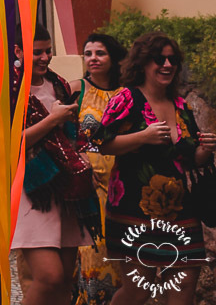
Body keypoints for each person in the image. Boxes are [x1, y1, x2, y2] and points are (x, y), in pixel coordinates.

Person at [93, 31, 215, 304]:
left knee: (183, 291)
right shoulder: (127, 99)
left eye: (173, 60)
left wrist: (205, 149)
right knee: (139, 290)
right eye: (159, 59)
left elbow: (190, 159)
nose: (167, 65)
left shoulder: (182, 106)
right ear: (143, 63)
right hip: (132, 215)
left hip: (181, 214)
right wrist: (143, 137)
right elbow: (99, 143)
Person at [11, 28, 97, 305]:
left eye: (48, 50)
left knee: (64, 281)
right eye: (37, 52)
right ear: (18, 51)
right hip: (32, 189)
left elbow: (71, 134)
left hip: (67, 189)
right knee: (48, 276)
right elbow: (7, 146)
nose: (45, 57)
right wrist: (52, 119)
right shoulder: (7, 89)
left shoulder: (58, 84)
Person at [72, 33, 126, 305]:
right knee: (92, 251)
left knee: (122, 253)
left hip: (123, 184)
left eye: (100, 53)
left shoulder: (129, 93)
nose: (93, 58)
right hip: (88, 186)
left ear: (113, 58)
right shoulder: (75, 89)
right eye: (88, 53)